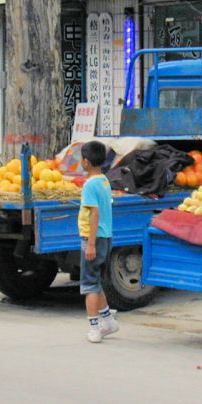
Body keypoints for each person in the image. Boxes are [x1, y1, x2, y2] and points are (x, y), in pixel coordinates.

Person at [78, 140, 119, 343]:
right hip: (106, 236)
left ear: (86, 162)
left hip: (93, 238)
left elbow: (94, 214)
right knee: (96, 282)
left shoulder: (89, 185)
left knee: (88, 286)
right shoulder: (103, 181)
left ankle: (94, 328)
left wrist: (91, 244)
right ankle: (108, 320)